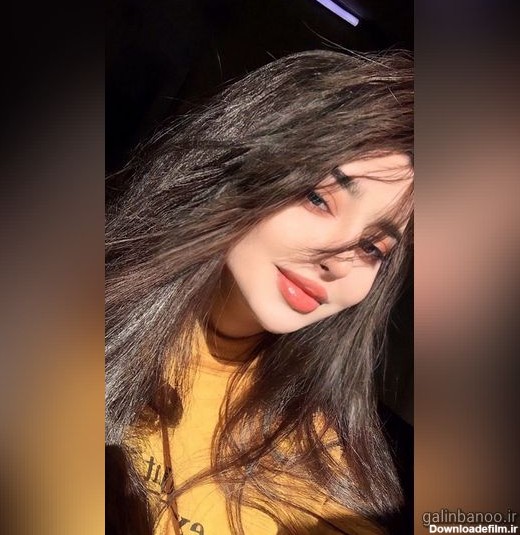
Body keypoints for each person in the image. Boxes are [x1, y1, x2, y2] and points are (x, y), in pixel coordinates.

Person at [105, 49, 414, 535]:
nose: (338, 258)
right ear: (244, 167)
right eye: (318, 198)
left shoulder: (325, 467)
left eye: (373, 247)